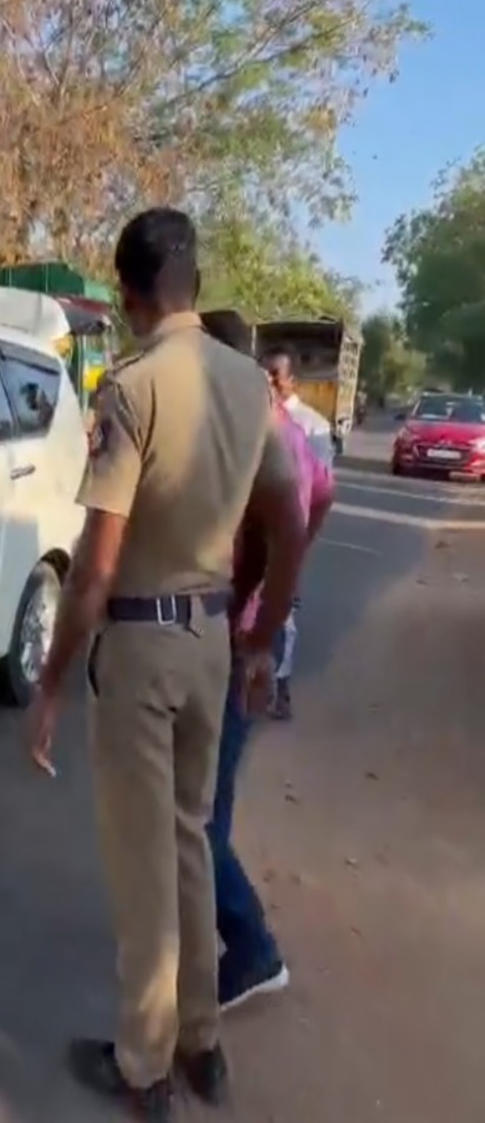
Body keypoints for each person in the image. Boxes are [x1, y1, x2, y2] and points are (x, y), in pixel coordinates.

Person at [24, 209, 307, 1120]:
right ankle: (201, 1041)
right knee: (188, 843)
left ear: (131, 292)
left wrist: (54, 684)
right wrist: (263, 637)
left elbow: (96, 566)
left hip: (143, 647)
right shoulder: (245, 381)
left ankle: (144, 1070)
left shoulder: (132, 387)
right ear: (191, 279)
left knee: (146, 865)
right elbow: (289, 516)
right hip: (213, 644)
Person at [202, 310, 336, 1011]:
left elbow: (286, 518)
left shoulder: (249, 432)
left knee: (198, 820)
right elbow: (321, 499)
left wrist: (253, 617)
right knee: (199, 806)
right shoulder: (276, 426)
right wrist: (284, 579)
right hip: (250, 637)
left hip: (237, 648)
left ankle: (252, 949)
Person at [259, 348, 327, 719]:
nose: (269, 381)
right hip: (252, 532)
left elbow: (321, 490)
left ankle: (279, 688)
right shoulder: (250, 416)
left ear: (291, 380)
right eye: (264, 373)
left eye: (275, 374)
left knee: (282, 613)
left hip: (287, 532)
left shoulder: (312, 426)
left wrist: (299, 541)